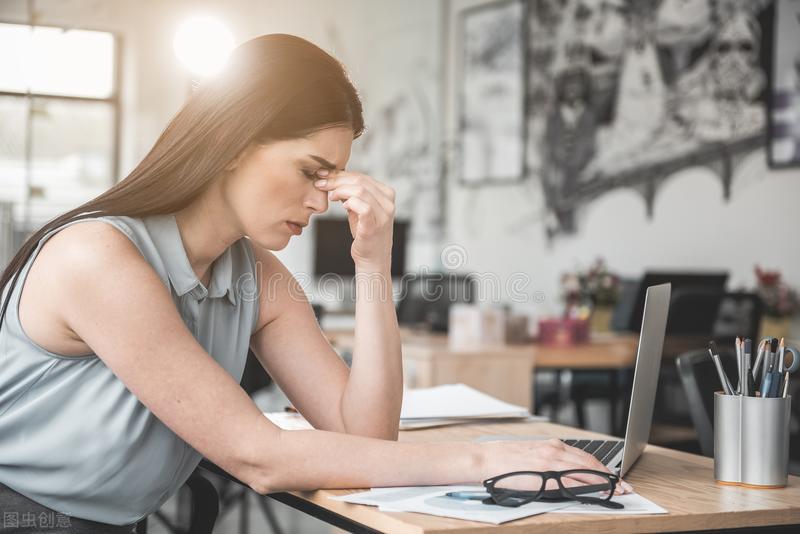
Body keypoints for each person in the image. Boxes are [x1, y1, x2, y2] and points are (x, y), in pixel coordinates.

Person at [0, 34, 630, 532]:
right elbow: (260, 458)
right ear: (231, 144)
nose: (321, 202)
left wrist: (374, 264)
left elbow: (365, 438)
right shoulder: (96, 257)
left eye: (331, 181)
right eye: (310, 172)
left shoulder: (255, 276)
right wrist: (489, 459)